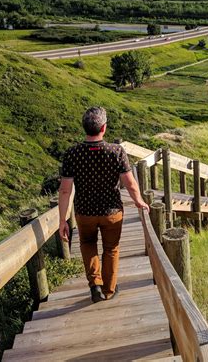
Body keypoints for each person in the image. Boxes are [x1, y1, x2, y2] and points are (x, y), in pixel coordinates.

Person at [58, 106, 150, 303]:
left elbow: (65, 190)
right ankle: (109, 289)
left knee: (87, 244)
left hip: (84, 212)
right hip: (112, 211)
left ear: (85, 128)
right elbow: (130, 183)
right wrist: (139, 202)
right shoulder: (116, 151)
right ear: (104, 128)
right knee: (111, 248)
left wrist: (63, 220)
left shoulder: (72, 153)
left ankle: (95, 285)